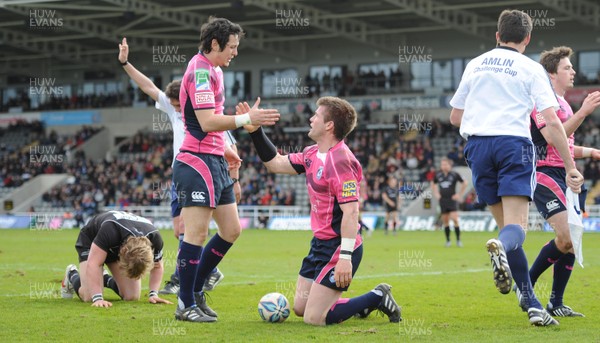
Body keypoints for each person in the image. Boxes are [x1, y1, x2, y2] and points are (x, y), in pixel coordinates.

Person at [449, 9, 583, 326]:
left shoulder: (475, 63)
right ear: (527, 38)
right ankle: (501, 249)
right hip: (513, 146)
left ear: (497, 35)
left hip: (477, 147)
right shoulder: (531, 68)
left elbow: (455, 118)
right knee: (516, 230)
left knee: (507, 229)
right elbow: (551, 122)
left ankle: (533, 304)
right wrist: (569, 166)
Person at [236, 96, 401, 326]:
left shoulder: (342, 161)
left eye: (316, 115)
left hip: (340, 247)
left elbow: (351, 213)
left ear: (329, 125)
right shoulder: (312, 153)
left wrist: (345, 258)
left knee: (314, 318)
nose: (311, 119)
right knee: (300, 309)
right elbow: (275, 163)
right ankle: (359, 305)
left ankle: (377, 296)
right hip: (319, 244)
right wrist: (255, 132)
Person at [173, 16, 280, 323]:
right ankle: (185, 303)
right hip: (195, 162)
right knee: (197, 233)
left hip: (214, 159)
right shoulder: (201, 71)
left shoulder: (215, 70)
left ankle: (194, 292)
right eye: (232, 47)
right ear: (215, 44)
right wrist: (245, 120)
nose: (235, 52)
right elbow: (207, 122)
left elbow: (212, 126)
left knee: (232, 230)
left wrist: (226, 148)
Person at [117, 37, 239, 296]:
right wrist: (126, 63)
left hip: (204, 169)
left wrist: (235, 179)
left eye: (178, 104)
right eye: (174, 105)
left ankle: (187, 282)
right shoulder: (177, 111)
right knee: (180, 230)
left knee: (193, 230)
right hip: (184, 170)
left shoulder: (208, 114)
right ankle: (199, 277)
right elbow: (148, 87)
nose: (176, 109)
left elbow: (230, 148)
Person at [521, 46, 600, 317]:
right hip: (544, 173)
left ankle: (556, 302)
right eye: (567, 67)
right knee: (566, 236)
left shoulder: (563, 104)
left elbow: (564, 145)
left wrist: (590, 152)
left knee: (571, 240)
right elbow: (552, 138)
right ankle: (526, 286)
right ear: (552, 74)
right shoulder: (539, 104)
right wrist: (583, 113)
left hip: (566, 174)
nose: (573, 71)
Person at [60, 211, 172, 307]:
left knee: (131, 296)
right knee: (89, 296)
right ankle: (71, 274)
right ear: (122, 255)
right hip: (91, 239)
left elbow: (157, 266)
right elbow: (94, 263)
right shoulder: (110, 229)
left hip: (116, 242)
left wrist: (153, 294)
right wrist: (98, 298)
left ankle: (102, 277)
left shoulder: (155, 238)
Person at [432, 157, 467, 247]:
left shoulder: (454, 174)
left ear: (449, 165)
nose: (444, 166)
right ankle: (448, 241)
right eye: (442, 164)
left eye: (445, 164)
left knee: (455, 219)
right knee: (445, 221)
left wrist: (459, 194)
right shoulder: (438, 175)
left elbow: (464, 183)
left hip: (452, 200)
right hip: (443, 200)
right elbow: (433, 183)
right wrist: (436, 194)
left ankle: (458, 240)